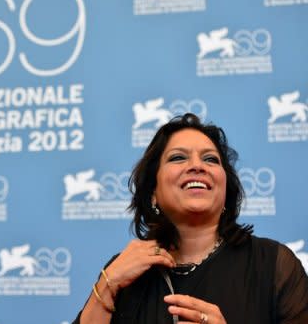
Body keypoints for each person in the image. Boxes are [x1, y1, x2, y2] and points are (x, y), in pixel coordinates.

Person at [72, 113, 308, 324]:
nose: (197, 166)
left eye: (211, 159)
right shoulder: (123, 270)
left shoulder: (273, 264)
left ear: (226, 189)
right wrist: (108, 283)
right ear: (153, 191)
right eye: (177, 158)